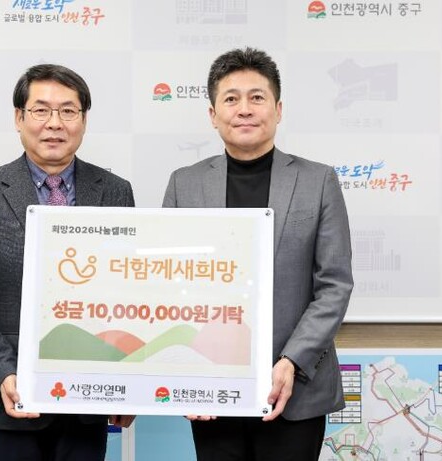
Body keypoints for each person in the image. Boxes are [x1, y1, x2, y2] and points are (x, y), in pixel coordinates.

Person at [163, 48, 353, 460]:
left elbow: (334, 285)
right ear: (212, 114)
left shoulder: (318, 181)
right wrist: (187, 373)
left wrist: (292, 361)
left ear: (278, 109)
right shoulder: (184, 185)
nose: (244, 109)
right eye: (231, 99)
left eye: (257, 97)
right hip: (212, 389)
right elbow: (170, 286)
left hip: (294, 388)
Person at [0, 63, 135, 461]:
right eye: (41, 110)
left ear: (83, 120)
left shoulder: (116, 192)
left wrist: (126, 383)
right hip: (7, 403)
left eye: (68, 111)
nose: (54, 123)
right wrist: (3, 373)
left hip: (87, 403)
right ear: (19, 118)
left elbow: (129, 295)